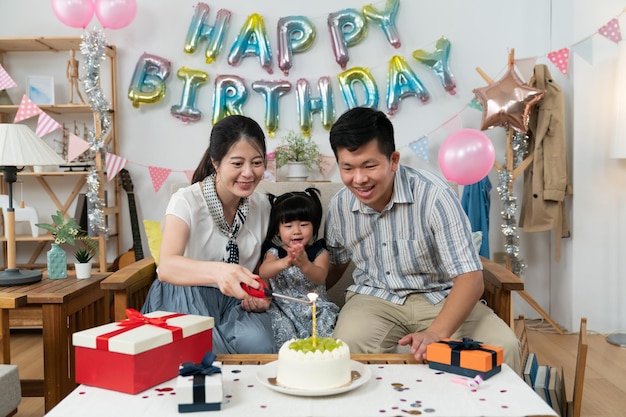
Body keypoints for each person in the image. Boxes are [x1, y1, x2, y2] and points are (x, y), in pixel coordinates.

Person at [325, 107, 522, 372]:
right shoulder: (339, 206)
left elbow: (470, 279)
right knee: (344, 348)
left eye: (369, 166)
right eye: (347, 168)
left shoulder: (435, 196)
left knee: (504, 346)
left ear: (393, 160)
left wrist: (436, 334)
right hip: (373, 300)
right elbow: (334, 265)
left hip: (440, 295)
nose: (358, 179)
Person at [141, 114, 275, 354]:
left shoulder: (263, 206)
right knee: (202, 347)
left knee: (260, 345)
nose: (248, 173)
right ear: (216, 162)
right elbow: (167, 267)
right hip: (185, 293)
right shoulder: (185, 200)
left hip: (236, 300)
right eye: (236, 164)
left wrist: (261, 293)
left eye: (256, 163)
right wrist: (220, 271)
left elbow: (260, 269)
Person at [259, 188, 339, 347]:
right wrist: (285, 262)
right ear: (278, 230)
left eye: (303, 224)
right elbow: (263, 272)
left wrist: (305, 264)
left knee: (324, 340)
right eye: (288, 226)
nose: (296, 231)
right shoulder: (275, 252)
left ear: (314, 226)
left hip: (316, 309)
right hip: (284, 310)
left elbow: (320, 276)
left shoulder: (319, 252)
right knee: (285, 341)